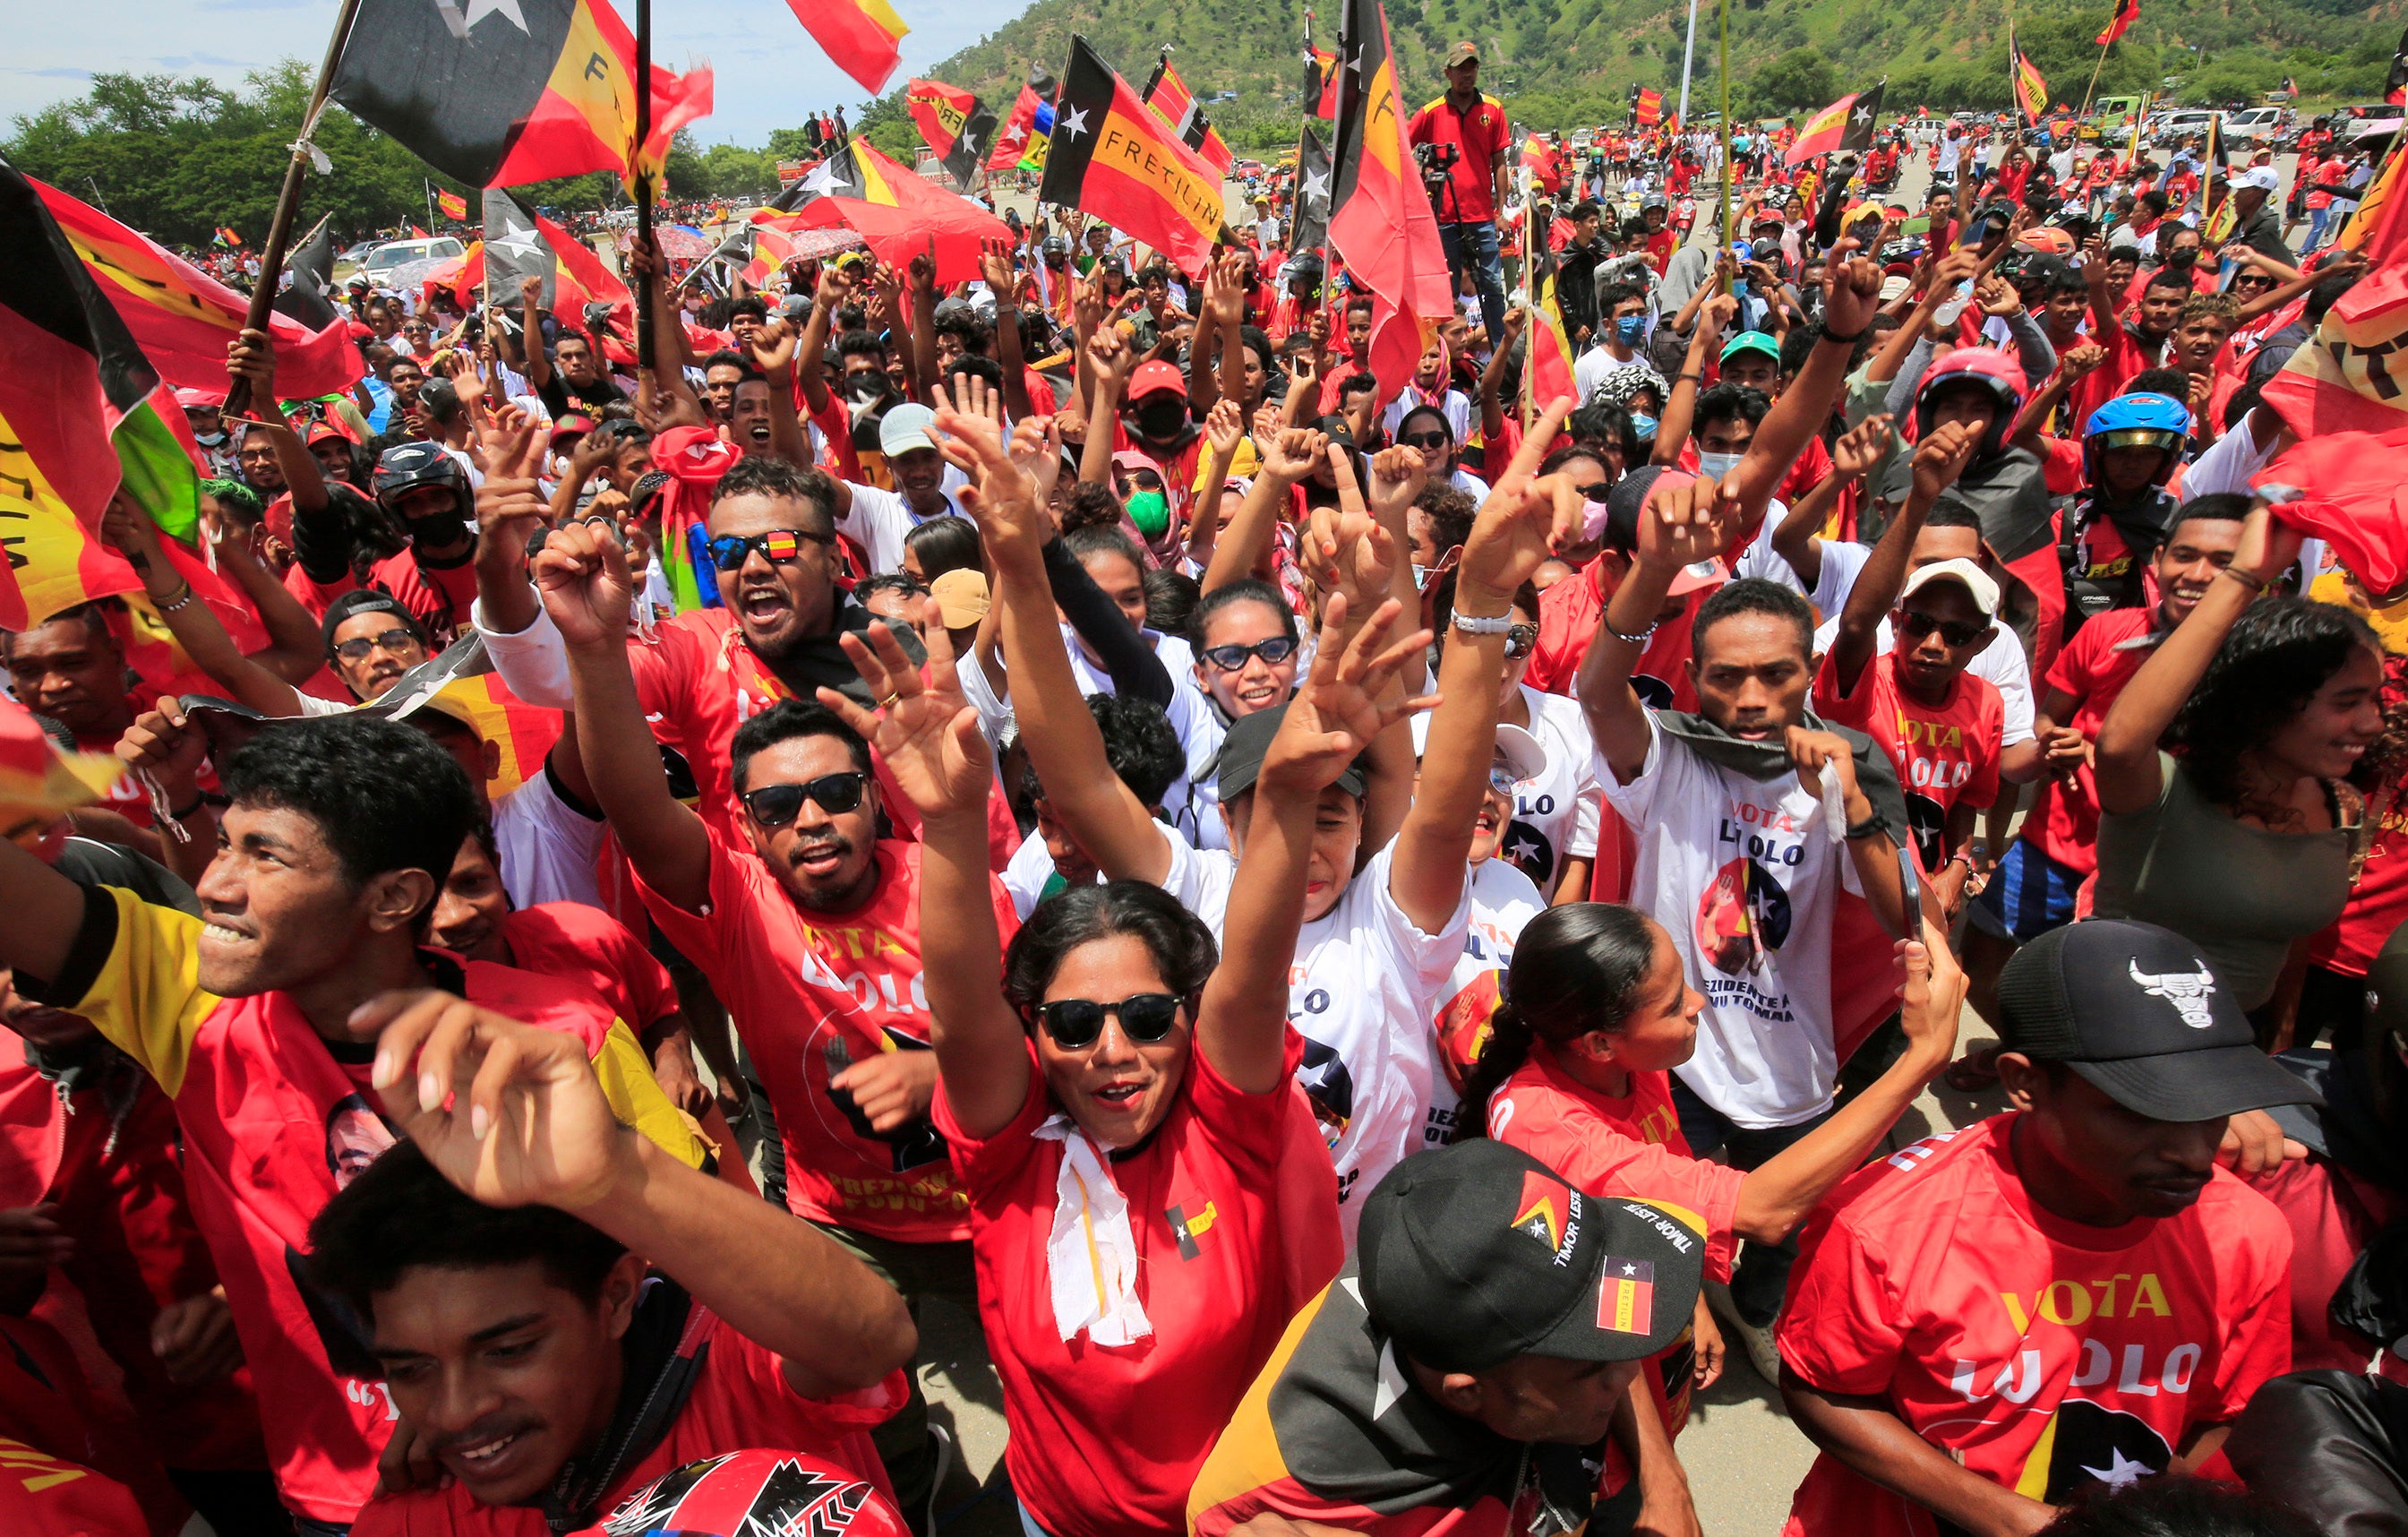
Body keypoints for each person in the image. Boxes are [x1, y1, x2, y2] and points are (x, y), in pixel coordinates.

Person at [836, 416, 1439, 1537]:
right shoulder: (1012, 1155)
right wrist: (955, 824)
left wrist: (1301, 793)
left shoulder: (1232, 1126)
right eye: (1071, 1025)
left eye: (1148, 1016)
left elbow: (1253, 974)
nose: (1111, 1049)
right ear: (1035, 1040)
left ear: (1191, 1020)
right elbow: (963, 1005)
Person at [0, 715, 703, 1529]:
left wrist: (468, 1400)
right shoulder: (186, 1005)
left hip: (578, 1481)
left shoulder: (558, 1037)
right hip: (346, 1504)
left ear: (394, 896)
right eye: (225, 844)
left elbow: (684, 1272)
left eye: (264, 855)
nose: (217, 884)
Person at [531, 510, 1006, 1525]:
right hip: (843, 1228)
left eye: (836, 792)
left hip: (994, 1206)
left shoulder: (952, 878)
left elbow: (1030, 1021)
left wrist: (939, 1076)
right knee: (866, 1419)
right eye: (778, 808)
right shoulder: (736, 901)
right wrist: (593, 647)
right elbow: (628, 799)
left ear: (876, 800)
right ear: (743, 824)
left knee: (1040, 1392)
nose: (812, 819)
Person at [1777, 919, 2309, 1536]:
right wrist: (2014, 1522)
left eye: (2209, 1106)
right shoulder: (1884, 1225)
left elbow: (2230, 1410)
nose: (2193, 1152)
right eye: (2141, 1110)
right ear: (2024, 1083)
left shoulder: (2246, 1235)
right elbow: (1823, 1389)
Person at [315, 992, 914, 1535]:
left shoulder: (731, 1362)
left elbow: (871, 1338)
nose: (456, 1410)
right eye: (413, 1369)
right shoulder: (420, 1522)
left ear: (617, 1296)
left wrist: (618, 1174)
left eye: (507, 1350)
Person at [1470, 900, 1961, 1438]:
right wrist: (1922, 1059)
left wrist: (1692, 1301)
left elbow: (1661, 1202)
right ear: (1600, 1043)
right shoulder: (1559, 1136)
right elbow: (1764, 1211)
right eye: (1673, 1002)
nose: (1698, 1004)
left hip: (1639, 1315)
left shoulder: (1625, 1061)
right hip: (1589, 1390)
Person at [1185, 1139, 1710, 1537]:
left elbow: (1610, 1318)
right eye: (1590, 1365)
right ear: (1468, 1391)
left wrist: (1665, 1483)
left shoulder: (1456, 1248)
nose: (1632, 1364)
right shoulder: (1269, 1502)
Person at [2093, 505, 2382, 1032]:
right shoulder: (2159, 791)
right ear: (2264, 705)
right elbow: (2117, 744)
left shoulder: (2340, 804)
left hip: (2240, 1045)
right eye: (2347, 702)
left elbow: (2290, 941)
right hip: (2118, 1035)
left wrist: (2281, 1039)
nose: (2371, 724)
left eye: (2376, 701)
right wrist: (2244, 576)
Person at [1408, 42, 1512, 346]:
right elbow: (1402, 149)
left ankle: (1500, 350)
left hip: (1482, 217)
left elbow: (1500, 162)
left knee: (1493, 286)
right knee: (1447, 291)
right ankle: (1445, 352)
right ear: (1447, 72)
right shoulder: (1430, 112)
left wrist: (1501, 212)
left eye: (1472, 67)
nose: (1467, 74)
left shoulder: (1492, 109)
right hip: (1444, 218)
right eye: (1460, 68)